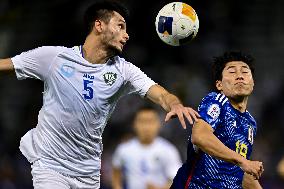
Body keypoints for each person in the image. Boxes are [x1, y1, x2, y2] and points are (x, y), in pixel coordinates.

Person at [0, 1, 199, 189]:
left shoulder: (124, 71)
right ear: (99, 25)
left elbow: (161, 94)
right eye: (120, 26)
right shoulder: (54, 58)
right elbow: (6, 64)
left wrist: (175, 104)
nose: (126, 35)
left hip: (88, 172)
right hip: (50, 165)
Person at [171, 51, 264, 189]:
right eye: (232, 72)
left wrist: (245, 164)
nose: (239, 76)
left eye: (245, 72)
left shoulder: (250, 123)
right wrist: (243, 162)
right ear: (219, 85)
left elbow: (241, 172)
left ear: (252, 83)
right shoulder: (217, 101)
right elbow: (200, 136)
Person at [112, 106, 182, 189]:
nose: (146, 127)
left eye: (150, 121)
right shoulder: (123, 149)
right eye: (142, 121)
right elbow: (116, 173)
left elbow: (177, 180)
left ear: (158, 124)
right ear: (134, 124)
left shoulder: (168, 150)